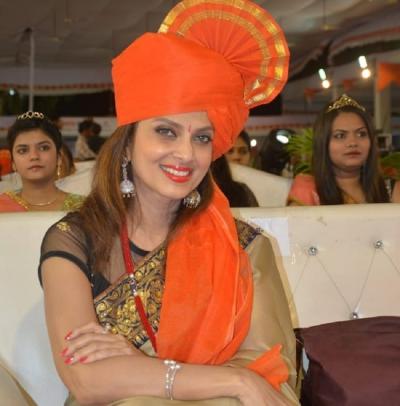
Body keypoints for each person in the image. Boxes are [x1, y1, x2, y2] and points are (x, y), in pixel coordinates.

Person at [39, 1, 298, 405]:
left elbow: (268, 371)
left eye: (201, 138)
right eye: (166, 131)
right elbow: (85, 380)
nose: (186, 154)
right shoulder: (73, 239)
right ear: (127, 145)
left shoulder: (243, 247)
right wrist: (233, 381)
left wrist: (141, 367)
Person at [287, 94, 390, 205]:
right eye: (340, 136)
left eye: (361, 134)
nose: (353, 143)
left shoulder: (387, 188)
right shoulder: (307, 190)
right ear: (323, 143)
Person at [0, 111, 84, 212]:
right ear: (13, 163)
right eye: (23, 150)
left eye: (44, 148)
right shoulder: (2, 206)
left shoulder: (84, 208)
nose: (34, 156)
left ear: (59, 158)